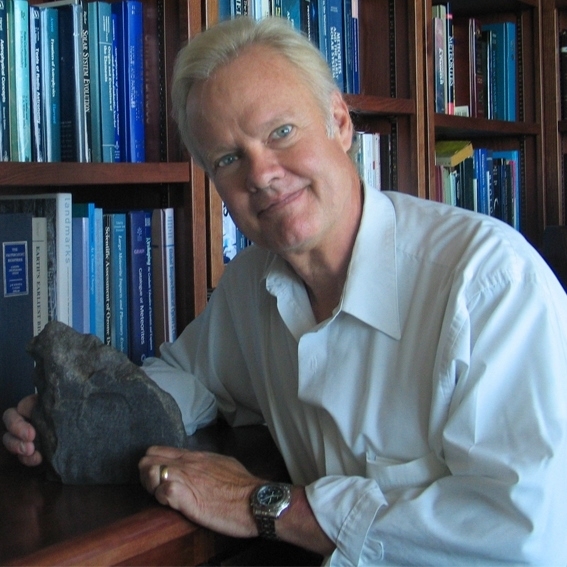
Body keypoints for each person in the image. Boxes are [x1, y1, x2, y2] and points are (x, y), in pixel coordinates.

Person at [4, 15, 567, 565]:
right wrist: (76, 408)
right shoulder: (251, 284)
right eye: (229, 158)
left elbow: (524, 536)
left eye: (281, 132)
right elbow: (189, 377)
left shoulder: (487, 282)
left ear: (339, 123)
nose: (261, 174)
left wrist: (264, 505)